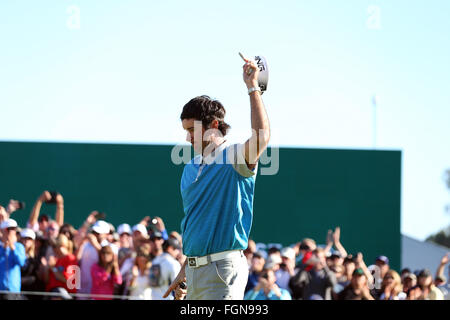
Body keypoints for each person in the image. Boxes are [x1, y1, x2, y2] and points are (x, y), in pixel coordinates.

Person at [164, 56, 270, 300]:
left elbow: (262, 138)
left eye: (192, 130)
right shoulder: (189, 167)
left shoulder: (234, 156)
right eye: (186, 131)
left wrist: (253, 87)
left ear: (213, 125)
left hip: (224, 269)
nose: (188, 138)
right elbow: (197, 226)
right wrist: (185, 268)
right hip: (193, 271)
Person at [77, 220, 111, 297]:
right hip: (83, 287)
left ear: (106, 234)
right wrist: (81, 243)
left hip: (98, 290)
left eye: (98, 233)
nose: (95, 235)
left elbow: (106, 259)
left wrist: (95, 243)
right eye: (94, 232)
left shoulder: (110, 247)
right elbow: (77, 258)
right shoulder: (86, 244)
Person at [0, 219, 26, 299]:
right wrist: (4, 249)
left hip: (14, 290)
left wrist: (13, 248)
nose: (11, 232)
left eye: (14, 229)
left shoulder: (19, 247)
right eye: (9, 229)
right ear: (3, 231)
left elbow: (21, 262)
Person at [19, 228, 45, 299]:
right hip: (16, 291)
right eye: (24, 238)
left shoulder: (36, 259)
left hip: (30, 293)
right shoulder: (14, 254)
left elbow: (37, 278)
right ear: (20, 239)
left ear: (33, 242)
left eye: (29, 239)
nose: (26, 241)